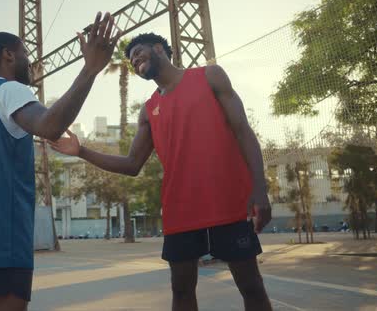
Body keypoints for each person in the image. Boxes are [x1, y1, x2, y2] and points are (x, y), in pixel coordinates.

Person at [49, 33, 273, 311]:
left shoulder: (210, 76)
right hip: (181, 211)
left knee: (251, 287)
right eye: (130, 60)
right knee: (181, 291)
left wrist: (259, 189)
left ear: (158, 49)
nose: (133, 60)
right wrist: (82, 151)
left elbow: (243, 130)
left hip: (226, 203)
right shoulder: (148, 110)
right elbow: (132, 164)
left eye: (138, 52)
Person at [0, 12, 121, 311]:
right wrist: (89, 70)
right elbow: (50, 126)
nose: (31, 61)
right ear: (8, 55)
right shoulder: (10, 90)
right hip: (2, 235)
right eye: (25, 52)